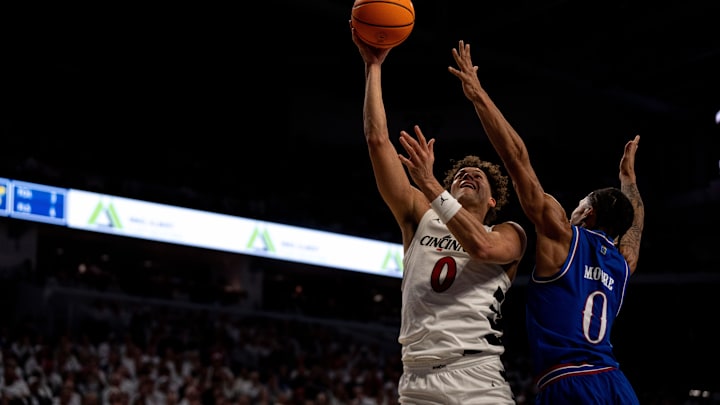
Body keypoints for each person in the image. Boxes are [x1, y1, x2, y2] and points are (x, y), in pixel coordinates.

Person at [449, 40, 645, 404]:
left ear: (587, 213)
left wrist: (479, 97)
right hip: (617, 384)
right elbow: (634, 228)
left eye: (579, 205)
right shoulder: (622, 263)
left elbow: (517, 159)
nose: (572, 210)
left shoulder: (562, 236)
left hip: (569, 382)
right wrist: (629, 183)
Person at [351, 26, 528, 404]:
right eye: (461, 174)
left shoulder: (510, 233)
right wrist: (373, 67)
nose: (468, 175)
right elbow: (377, 140)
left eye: (477, 176)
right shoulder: (421, 215)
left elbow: (480, 246)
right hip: (417, 379)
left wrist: (433, 186)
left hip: (477, 377)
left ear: (493, 200)